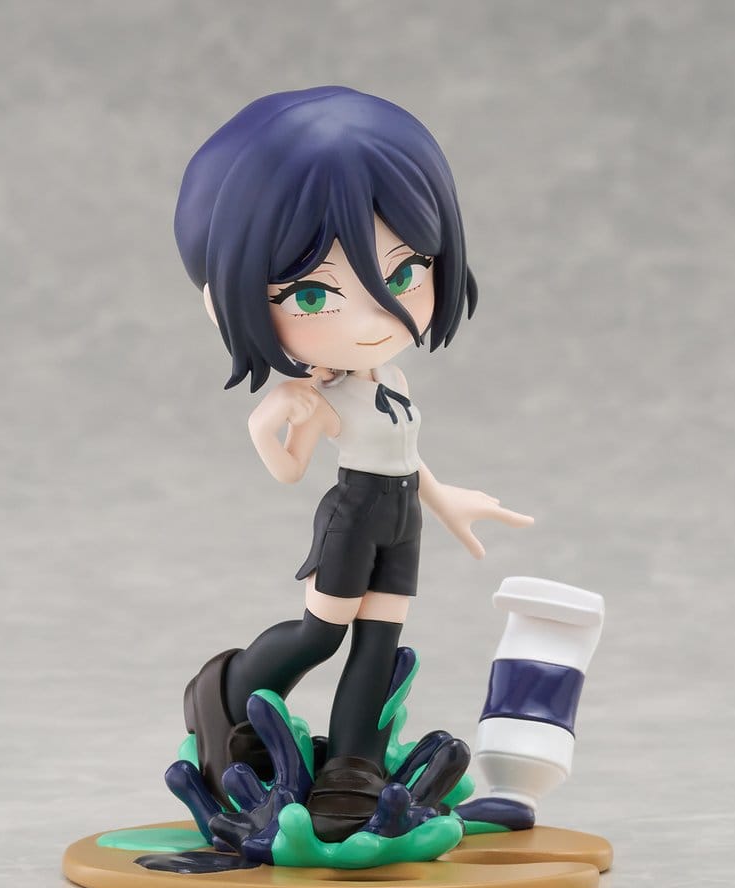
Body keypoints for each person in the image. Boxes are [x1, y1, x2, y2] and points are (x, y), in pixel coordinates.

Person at [174, 87, 532, 840]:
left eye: (403, 276)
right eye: (312, 294)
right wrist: (275, 424)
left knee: (380, 638)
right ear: (224, 301)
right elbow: (289, 472)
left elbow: (405, 453)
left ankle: (354, 769)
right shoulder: (318, 397)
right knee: (323, 633)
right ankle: (226, 692)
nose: (372, 320)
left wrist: (447, 498)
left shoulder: (390, 380)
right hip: (354, 516)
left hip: (400, 517)